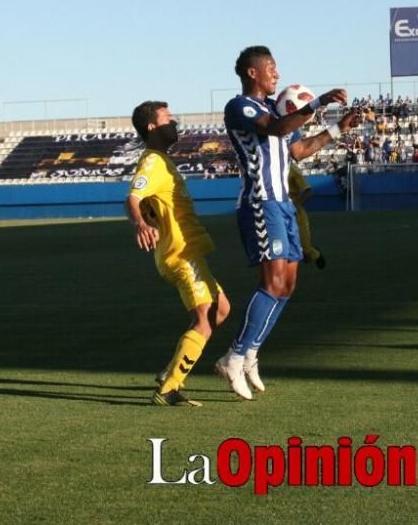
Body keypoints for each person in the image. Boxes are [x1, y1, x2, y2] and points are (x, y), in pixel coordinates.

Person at [215, 45, 361, 401]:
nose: (276, 74)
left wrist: (337, 129)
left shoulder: (273, 109)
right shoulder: (242, 107)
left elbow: (298, 149)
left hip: (283, 204)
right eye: (271, 68)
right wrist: (314, 104)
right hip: (259, 203)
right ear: (253, 73)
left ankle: (250, 353)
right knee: (272, 281)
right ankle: (232, 357)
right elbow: (275, 128)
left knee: (288, 284)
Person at [126, 100, 232, 407]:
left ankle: (168, 374)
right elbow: (132, 198)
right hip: (180, 253)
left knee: (221, 309)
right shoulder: (152, 162)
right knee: (205, 317)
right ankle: (169, 388)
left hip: (188, 251)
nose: (175, 123)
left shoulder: (162, 160)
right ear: (152, 127)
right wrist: (141, 223)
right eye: (168, 118)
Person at [288, 162, 326, 269]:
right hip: (280, 215)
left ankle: (315, 253)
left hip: (297, 216)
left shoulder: (292, 170)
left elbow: (308, 191)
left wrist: (295, 205)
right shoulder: (270, 169)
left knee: (306, 256)